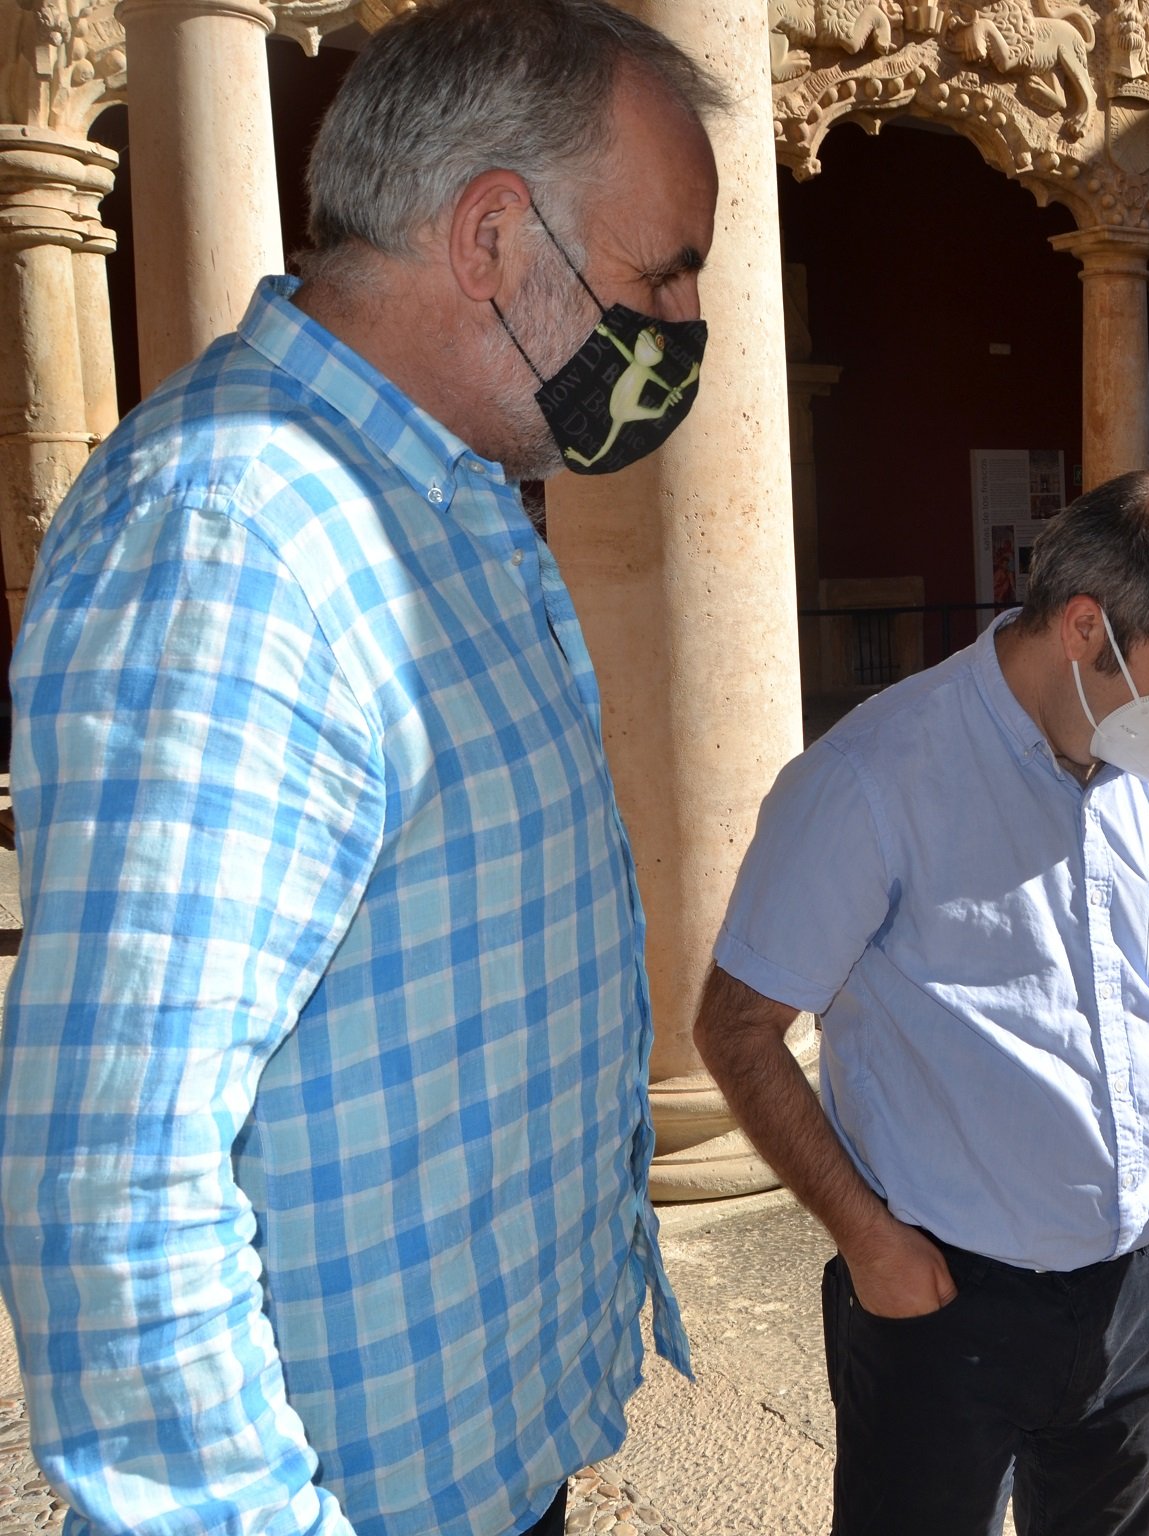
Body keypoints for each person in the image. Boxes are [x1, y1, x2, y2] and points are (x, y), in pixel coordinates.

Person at [0, 4, 727, 1533]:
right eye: (660, 274)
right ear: (491, 238)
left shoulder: (439, 492)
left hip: (471, 1461)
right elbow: (117, 1183)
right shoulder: (238, 536)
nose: (676, 327)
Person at [695, 467, 1149, 1536]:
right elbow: (734, 1030)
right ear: (1084, 628)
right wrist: (869, 1241)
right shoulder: (871, 778)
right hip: (943, 1301)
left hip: (1145, 1287)